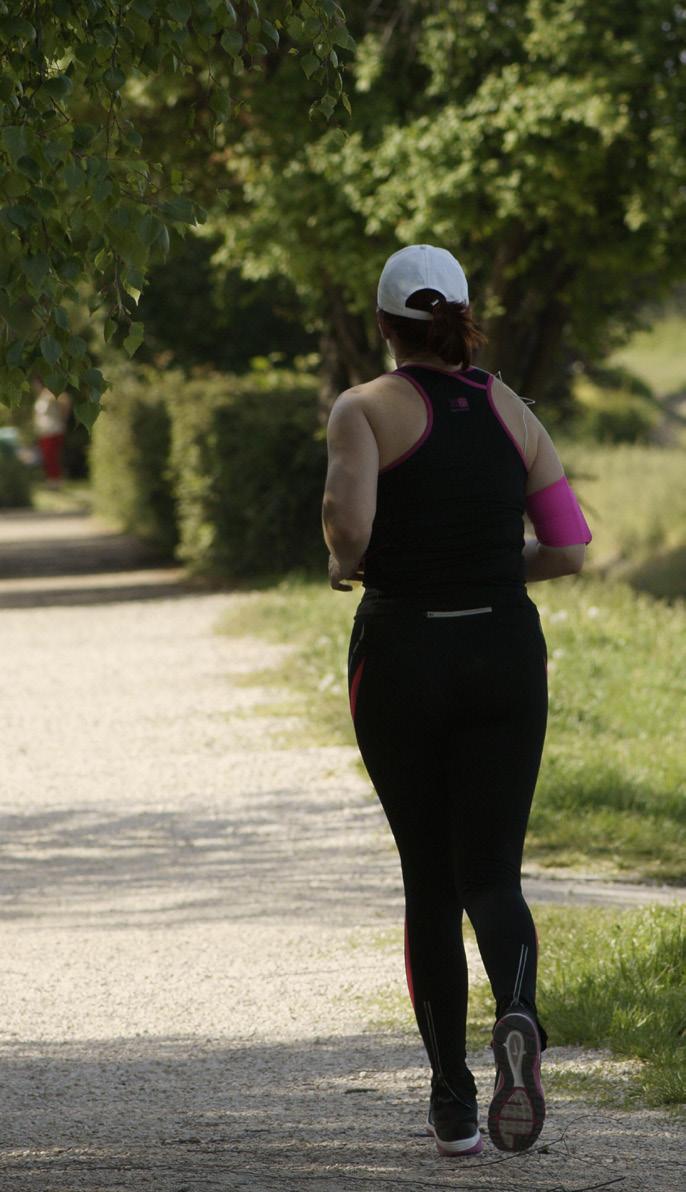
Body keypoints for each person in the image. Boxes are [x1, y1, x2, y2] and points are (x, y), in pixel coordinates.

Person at [321, 245, 592, 1158]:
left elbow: (350, 528)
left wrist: (341, 561)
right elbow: (567, 547)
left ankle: (451, 1102)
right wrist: (488, 568)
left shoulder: (364, 409)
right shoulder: (513, 409)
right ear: (463, 318)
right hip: (505, 653)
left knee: (428, 883)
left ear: (386, 324)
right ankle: (518, 1012)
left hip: (403, 653)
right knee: (494, 876)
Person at [31, 373, 71, 487]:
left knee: (52, 457)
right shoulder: (41, 396)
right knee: (47, 457)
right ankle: (51, 480)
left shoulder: (50, 394)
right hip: (44, 432)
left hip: (53, 431)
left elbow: (65, 400)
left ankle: (55, 481)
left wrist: (63, 418)